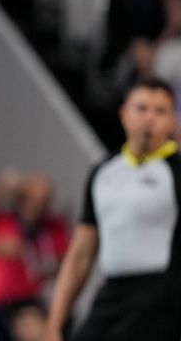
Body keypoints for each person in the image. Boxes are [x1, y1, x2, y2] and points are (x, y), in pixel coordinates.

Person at [44, 78, 181, 341]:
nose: (150, 118)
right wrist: (53, 325)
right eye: (142, 108)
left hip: (162, 299)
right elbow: (80, 255)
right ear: (124, 114)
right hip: (112, 293)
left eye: (161, 111)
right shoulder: (103, 172)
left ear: (172, 120)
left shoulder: (176, 171)